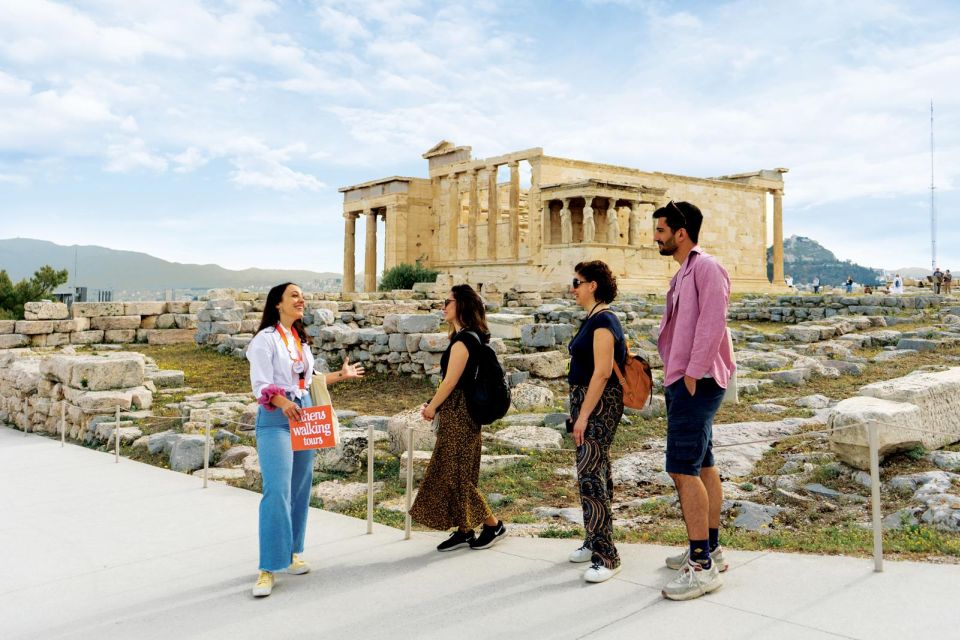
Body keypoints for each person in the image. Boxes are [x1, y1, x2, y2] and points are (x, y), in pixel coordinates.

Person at [246, 282, 365, 597]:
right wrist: (284, 404)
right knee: (276, 490)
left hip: (306, 414)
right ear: (277, 304)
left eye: (302, 295)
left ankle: (293, 551)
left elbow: (307, 380)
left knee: (300, 486)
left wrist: (341, 375)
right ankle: (268, 567)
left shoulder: (299, 339)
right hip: (276, 418)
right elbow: (261, 384)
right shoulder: (264, 340)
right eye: (294, 295)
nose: (301, 299)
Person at [652, 201, 735, 601]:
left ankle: (701, 566)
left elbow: (713, 320)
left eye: (661, 230)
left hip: (696, 382)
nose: (656, 237)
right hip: (685, 379)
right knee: (703, 463)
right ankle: (711, 548)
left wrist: (691, 372)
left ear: (681, 232)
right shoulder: (684, 271)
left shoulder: (706, 267)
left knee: (682, 468)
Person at [409, 284, 506, 552]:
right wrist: (435, 403)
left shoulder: (464, 341)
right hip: (458, 410)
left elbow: (451, 381)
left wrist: (432, 408)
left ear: (461, 305)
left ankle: (492, 525)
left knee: (457, 474)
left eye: (447, 302)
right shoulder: (464, 337)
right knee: (455, 471)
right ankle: (464, 530)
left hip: (461, 413)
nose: (443, 306)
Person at [566, 260, 627, 583]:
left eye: (577, 282)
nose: (572, 288)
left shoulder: (603, 321)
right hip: (587, 401)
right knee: (596, 470)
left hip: (598, 404)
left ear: (593, 286)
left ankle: (607, 555)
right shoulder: (593, 318)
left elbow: (602, 372)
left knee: (591, 473)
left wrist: (584, 415)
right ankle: (594, 539)